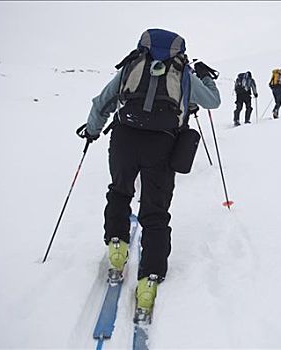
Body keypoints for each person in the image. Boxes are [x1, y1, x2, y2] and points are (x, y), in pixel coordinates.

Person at [77, 29, 221, 318]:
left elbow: (101, 102)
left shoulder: (132, 66)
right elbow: (212, 102)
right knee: (155, 210)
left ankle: (117, 248)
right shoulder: (183, 73)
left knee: (120, 191)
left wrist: (92, 130)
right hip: (163, 142)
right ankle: (149, 280)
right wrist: (204, 76)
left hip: (124, 137)